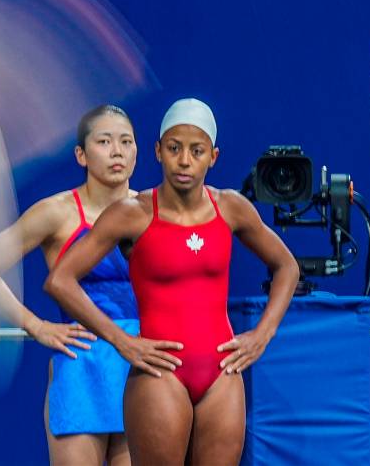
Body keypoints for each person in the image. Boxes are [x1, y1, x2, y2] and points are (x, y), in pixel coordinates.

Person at [45, 98, 299, 466]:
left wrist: (262, 334)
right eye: (175, 149)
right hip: (160, 374)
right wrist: (122, 341)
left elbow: (286, 267)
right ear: (158, 151)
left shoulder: (230, 207)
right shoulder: (133, 213)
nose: (184, 161)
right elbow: (60, 280)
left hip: (222, 373)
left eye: (196, 151)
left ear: (213, 156)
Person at [0, 105, 139, 466]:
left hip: (140, 364)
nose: (117, 151)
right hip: (82, 363)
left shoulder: (152, 210)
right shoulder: (57, 212)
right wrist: (35, 326)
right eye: (104, 141)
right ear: (81, 154)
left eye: (126, 141)